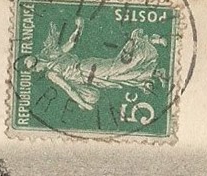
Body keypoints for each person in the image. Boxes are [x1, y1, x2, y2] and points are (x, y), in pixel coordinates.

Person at [21, 17, 167, 110]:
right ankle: (153, 74)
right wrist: (79, 28)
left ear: (37, 62)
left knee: (120, 69)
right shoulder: (56, 56)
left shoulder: (52, 73)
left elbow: (68, 89)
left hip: (89, 71)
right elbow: (71, 43)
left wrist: (84, 104)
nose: (37, 71)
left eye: (34, 69)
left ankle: (144, 40)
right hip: (91, 72)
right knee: (120, 76)